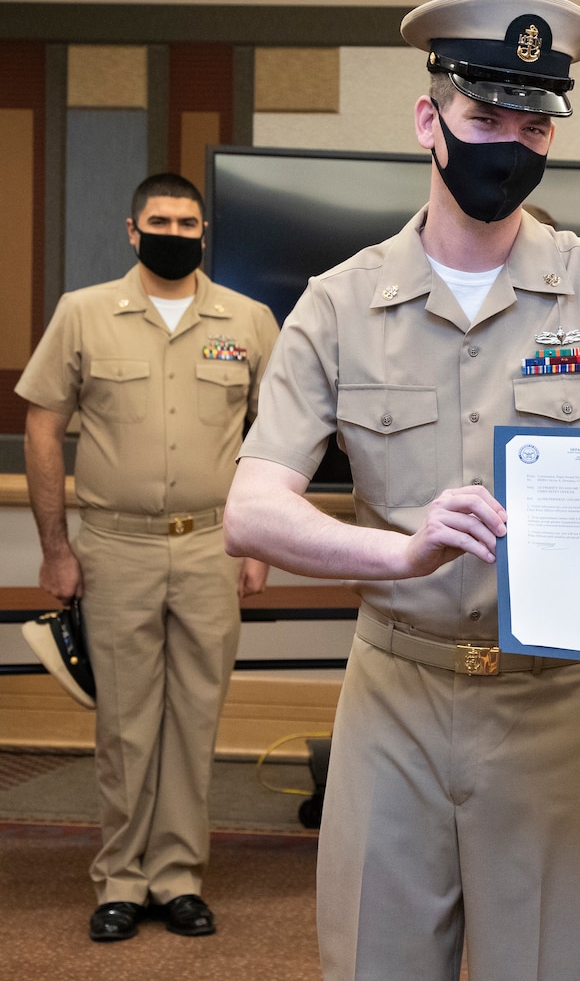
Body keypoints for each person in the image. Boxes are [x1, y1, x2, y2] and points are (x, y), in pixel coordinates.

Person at [223, 0, 580, 981]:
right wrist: (395, 551)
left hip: (555, 703)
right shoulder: (337, 301)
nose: (508, 145)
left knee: (539, 964)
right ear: (429, 120)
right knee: (375, 958)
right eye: (483, 118)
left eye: (531, 125)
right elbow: (251, 507)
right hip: (395, 693)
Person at [16, 172, 279, 942]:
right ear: (132, 231)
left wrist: (256, 541)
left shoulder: (249, 320)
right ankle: (121, 880)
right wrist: (55, 549)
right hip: (113, 549)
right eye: (159, 220)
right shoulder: (84, 314)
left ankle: (178, 876)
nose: (174, 230)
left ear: (205, 232)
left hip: (210, 547)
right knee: (126, 725)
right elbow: (41, 429)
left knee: (197, 718)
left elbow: (275, 441)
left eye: (187, 220)